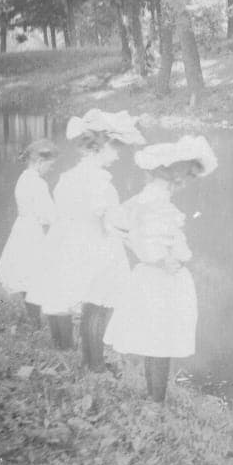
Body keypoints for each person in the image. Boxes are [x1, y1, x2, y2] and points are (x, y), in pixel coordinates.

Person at [27, 109, 145, 369]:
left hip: (73, 242)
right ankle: (95, 365)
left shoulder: (70, 176)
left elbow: (72, 212)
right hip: (96, 246)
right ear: (101, 146)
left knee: (93, 305)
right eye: (116, 148)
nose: (118, 155)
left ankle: (90, 360)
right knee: (100, 306)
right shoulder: (100, 181)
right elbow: (113, 222)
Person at [104, 135, 217, 402]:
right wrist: (160, 258)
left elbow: (119, 222)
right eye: (186, 176)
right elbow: (141, 234)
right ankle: (156, 400)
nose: (186, 182)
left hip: (155, 275)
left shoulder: (151, 195)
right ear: (174, 175)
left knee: (154, 338)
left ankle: (154, 397)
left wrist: (144, 249)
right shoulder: (156, 199)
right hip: (160, 278)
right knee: (160, 339)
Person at [0, 139, 57, 328]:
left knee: (26, 273)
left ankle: (33, 319)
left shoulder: (23, 178)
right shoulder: (38, 183)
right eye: (50, 166)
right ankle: (35, 321)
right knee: (34, 275)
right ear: (39, 162)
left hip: (21, 228)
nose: (50, 170)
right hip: (33, 232)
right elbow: (48, 215)